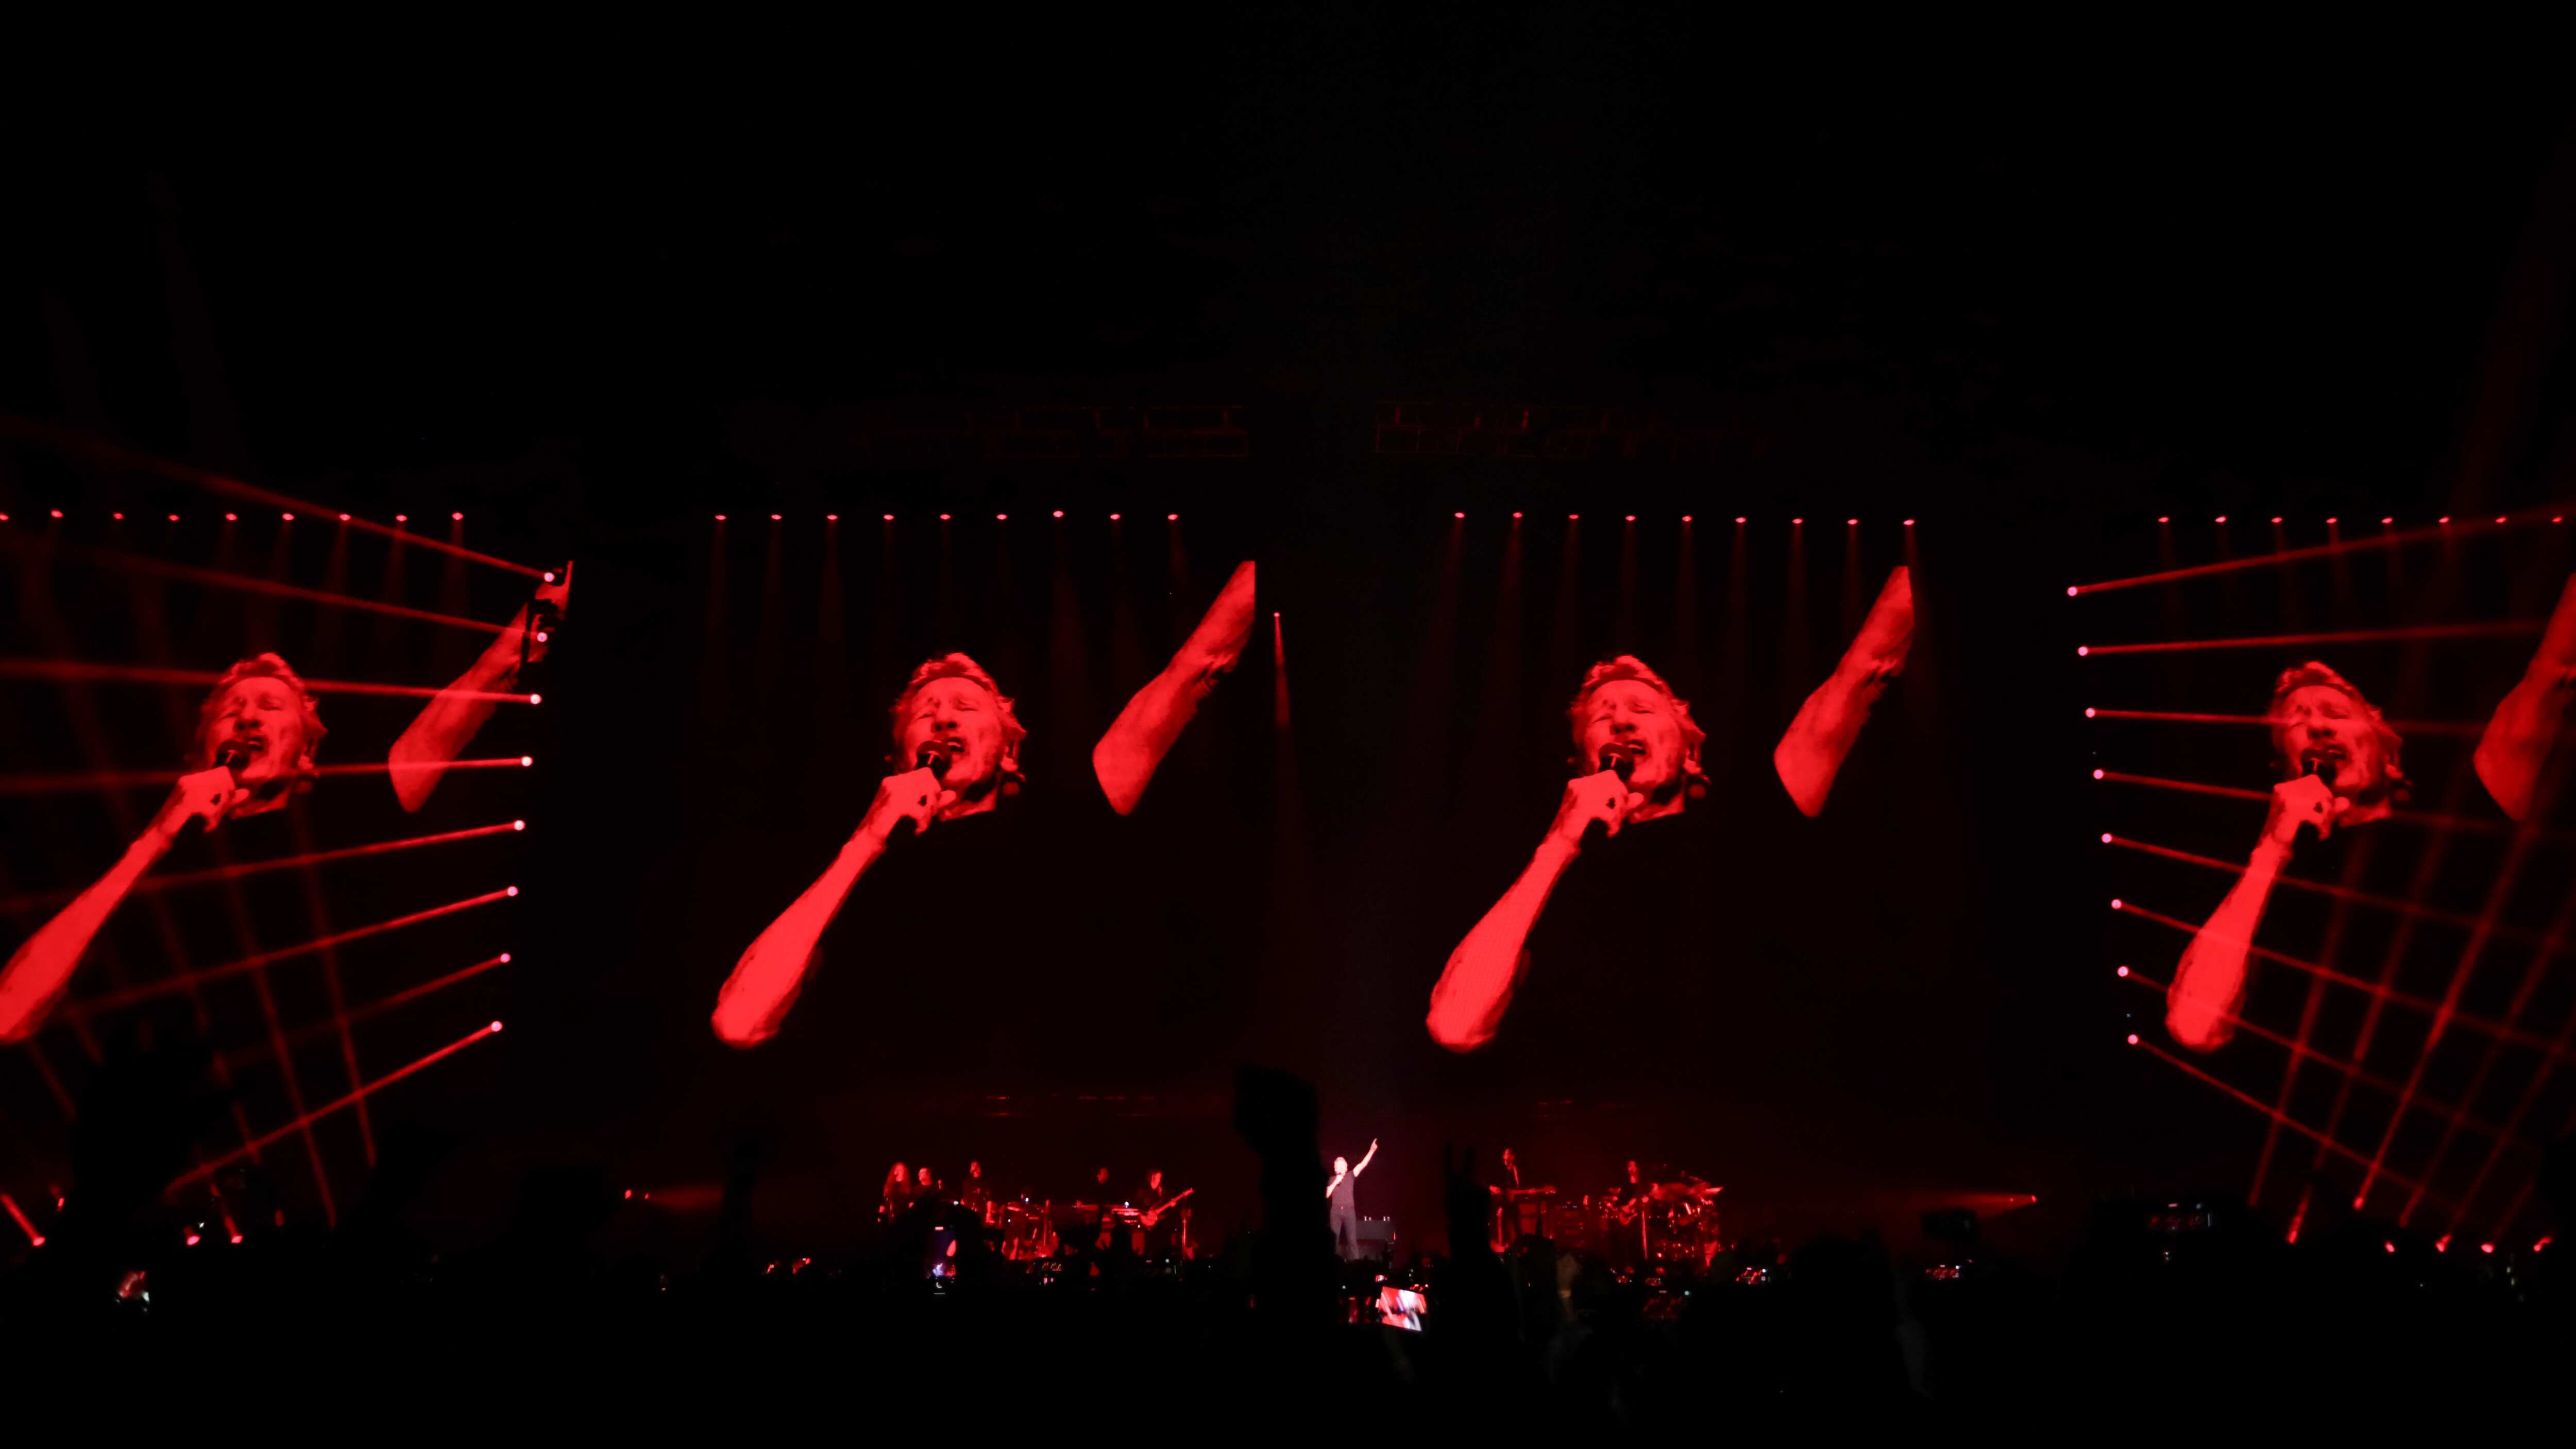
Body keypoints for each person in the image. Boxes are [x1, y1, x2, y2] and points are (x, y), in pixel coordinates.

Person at [0, 569, 568, 1045]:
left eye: (270, 706)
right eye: (232, 710)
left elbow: (480, 680)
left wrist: (546, 605)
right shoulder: (147, 860)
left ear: (305, 753)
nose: (247, 717)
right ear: (197, 752)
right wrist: (155, 838)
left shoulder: (351, 817)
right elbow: (10, 1013)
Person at [708, 562, 1257, 1048]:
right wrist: (864, 843)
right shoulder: (850, 871)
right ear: (895, 756)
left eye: (965, 707)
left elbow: (1195, 669)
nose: (944, 719)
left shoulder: (1065, 818)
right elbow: (740, 1022)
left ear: (1009, 751)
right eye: (927, 713)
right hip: (901, 1141)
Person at [1424, 569, 1913, 1053]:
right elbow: (1456, 1025)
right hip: (1586, 1124)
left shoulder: (1754, 820)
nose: (1619, 719)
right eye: (1602, 715)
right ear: (1578, 763)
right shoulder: (1545, 878)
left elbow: (1864, 670)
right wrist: (1557, 846)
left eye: (1641, 708)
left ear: (1690, 752)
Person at [2166, 662, 2410, 1051]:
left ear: (2391, 757)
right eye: (2298, 721)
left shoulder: (2457, 839)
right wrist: (2271, 849)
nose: (2318, 727)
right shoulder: (2269, 890)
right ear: (2284, 767)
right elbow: (2193, 1026)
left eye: (2336, 714)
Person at [1325, 1137, 1378, 1262]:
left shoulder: (1351, 1176)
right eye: (1339, 1165)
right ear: (1336, 1168)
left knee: (1352, 1241)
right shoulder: (1332, 1179)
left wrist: (1371, 1151)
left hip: (1349, 1211)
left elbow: (1363, 1164)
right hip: (1336, 1212)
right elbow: (1327, 1195)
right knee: (1334, 1241)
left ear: (1346, 1167)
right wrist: (1335, 1183)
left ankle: (1356, 1267)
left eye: (1343, 1164)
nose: (1342, 1166)